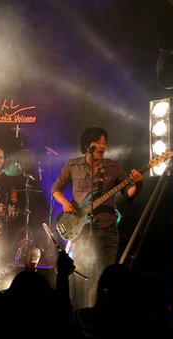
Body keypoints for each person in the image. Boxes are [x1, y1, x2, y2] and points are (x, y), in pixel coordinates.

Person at [51, 126, 143, 309]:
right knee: (81, 273)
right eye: (98, 142)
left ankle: (97, 313)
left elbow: (128, 193)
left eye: (105, 142)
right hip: (82, 231)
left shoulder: (113, 167)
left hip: (109, 230)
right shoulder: (73, 165)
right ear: (87, 145)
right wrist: (65, 203)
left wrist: (139, 184)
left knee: (104, 278)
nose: (102, 146)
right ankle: (79, 313)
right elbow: (56, 189)